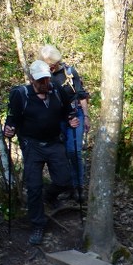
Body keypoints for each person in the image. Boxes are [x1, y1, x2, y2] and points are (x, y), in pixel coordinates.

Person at [4, 60, 80, 245]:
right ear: (31, 79)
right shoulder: (20, 94)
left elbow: (67, 108)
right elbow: (12, 118)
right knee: (34, 187)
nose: (45, 83)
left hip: (54, 142)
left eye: (47, 79)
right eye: (40, 80)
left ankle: (51, 195)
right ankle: (37, 225)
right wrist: (9, 129)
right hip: (32, 146)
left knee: (64, 180)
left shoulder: (56, 89)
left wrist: (71, 118)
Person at [38, 44, 90, 195]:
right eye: (48, 65)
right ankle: (68, 185)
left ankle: (78, 187)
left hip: (75, 115)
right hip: (57, 118)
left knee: (74, 151)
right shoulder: (43, 76)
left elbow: (81, 94)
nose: (50, 67)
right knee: (63, 154)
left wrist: (86, 116)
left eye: (52, 64)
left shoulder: (70, 72)